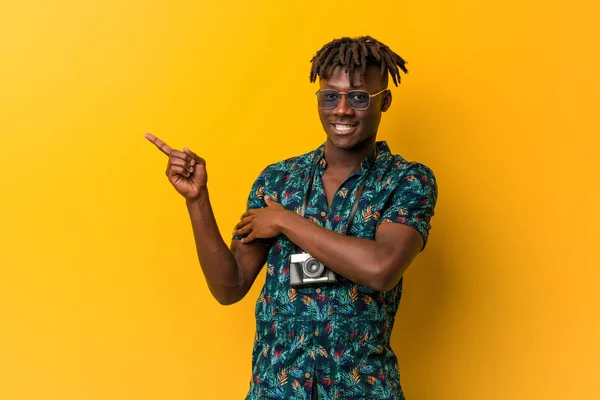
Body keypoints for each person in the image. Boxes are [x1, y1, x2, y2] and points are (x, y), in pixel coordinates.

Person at [145, 36, 437, 400]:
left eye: (359, 97)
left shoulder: (407, 180)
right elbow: (229, 286)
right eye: (330, 96)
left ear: (385, 101)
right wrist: (197, 199)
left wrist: (285, 222)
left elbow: (381, 268)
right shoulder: (279, 180)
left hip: (363, 390)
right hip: (277, 389)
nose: (342, 110)